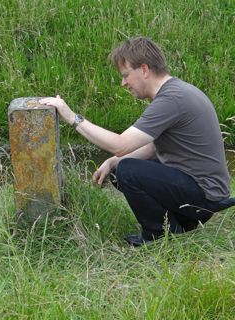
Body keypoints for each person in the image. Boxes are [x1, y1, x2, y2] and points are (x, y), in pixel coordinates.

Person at [39, 37, 235, 247]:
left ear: (144, 70)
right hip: (203, 190)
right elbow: (151, 147)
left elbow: (121, 144)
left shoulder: (171, 99)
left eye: (125, 75)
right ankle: (179, 225)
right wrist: (112, 162)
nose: (123, 83)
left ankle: (158, 236)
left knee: (128, 171)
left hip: (204, 196)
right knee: (119, 168)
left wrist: (72, 117)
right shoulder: (175, 91)